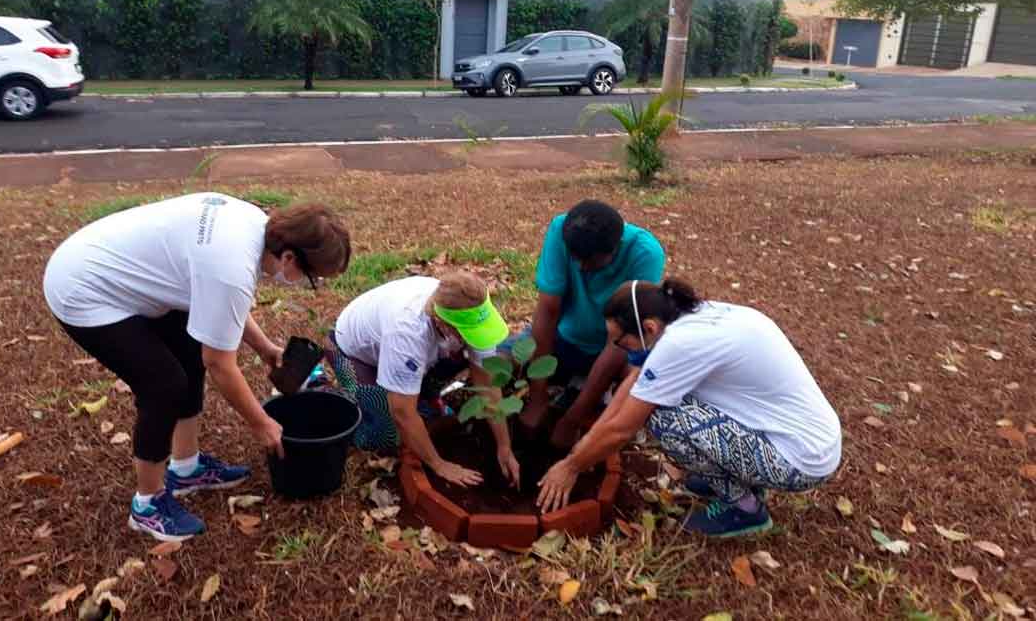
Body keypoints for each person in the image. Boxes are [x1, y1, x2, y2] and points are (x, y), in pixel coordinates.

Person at [43, 194, 351, 542]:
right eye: (314, 279)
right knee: (163, 385)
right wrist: (261, 423)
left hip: (113, 265)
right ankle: (148, 505)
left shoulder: (253, 226)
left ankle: (186, 468)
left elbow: (218, 302)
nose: (314, 287)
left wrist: (265, 348)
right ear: (291, 257)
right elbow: (220, 364)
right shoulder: (232, 265)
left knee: (190, 350)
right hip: (84, 287)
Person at [538, 279, 842, 537]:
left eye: (621, 342)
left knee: (662, 416)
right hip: (808, 438)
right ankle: (737, 478)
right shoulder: (701, 316)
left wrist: (571, 466)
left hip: (799, 461)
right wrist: (585, 445)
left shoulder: (678, 345)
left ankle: (746, 510)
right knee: (657, 401)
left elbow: (623, 427)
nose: (619, 350)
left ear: (649, 327)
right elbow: (635, 384)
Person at [324, 272, 519, 489]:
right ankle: (332, 395)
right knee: (384, 437)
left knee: (449, 370)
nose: (477, 337)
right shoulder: (408, 332)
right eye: (466, 332)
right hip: (354, 353)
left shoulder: (473, 317)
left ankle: (418, 393)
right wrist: (439, 465)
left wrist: (504, 446)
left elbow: (487, 386)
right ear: (441, 321)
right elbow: (402, 413)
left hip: (410, 353)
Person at [519, 200, 665, 447]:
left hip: (613, 350)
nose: (580, 267)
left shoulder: (645, 254)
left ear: (615, 249)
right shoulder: (561, 230)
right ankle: (572, 387)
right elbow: (548, 309)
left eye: (591, 261)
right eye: (576, 258)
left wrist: (572, 420)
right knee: (499, 356)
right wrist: (537, 396)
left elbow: (622, 341)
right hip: (563, 340)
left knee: (639, 384)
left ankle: (595, 417)